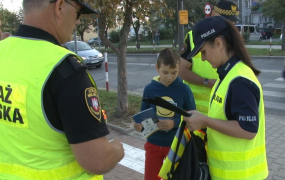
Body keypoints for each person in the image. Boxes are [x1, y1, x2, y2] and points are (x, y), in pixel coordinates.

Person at [0, 0, 124, 179]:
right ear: (59, 6)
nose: (77, 22)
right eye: (78, 13)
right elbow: (98, 160)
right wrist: (117, 149)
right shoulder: (64, 69)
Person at [183, 16, 268, 180]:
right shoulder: (226, 76)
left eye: (204, 52)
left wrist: (206, 121)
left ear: (219, 43)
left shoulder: (239, 80)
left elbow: (248, 129)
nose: (203, 58)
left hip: (243, 176)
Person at [133, 48, 196, 180]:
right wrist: (139, 126)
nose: (169, 77)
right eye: (165, 72)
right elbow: (144, 115)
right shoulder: (149, 89)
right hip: (153, 143)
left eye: (174, 73)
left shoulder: (184, 89)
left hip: (176, 144)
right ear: (157, 68)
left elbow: (192, 117)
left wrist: (174, 122)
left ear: (179, 69)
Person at [179, 0, 241, 115]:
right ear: (213, 15)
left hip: (220, 114)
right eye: (223, 20)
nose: (227, 25)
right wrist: (207, 82)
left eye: (232, 22)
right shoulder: (194, 37)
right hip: (195, 112)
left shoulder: (234, 40)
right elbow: (181, 70)